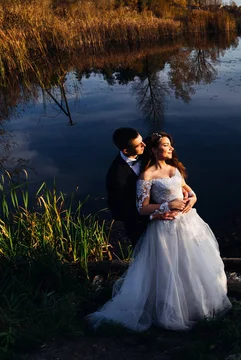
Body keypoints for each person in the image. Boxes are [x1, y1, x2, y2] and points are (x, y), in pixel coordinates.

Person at [89, 131, 231, 331]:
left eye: (143, 143)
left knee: (190, 263)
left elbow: (184, 187)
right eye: (140, 145)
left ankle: (194, 303)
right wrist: (162, 210)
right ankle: (163, 306)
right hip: (149, 224)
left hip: (186, 222)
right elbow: (127, 210)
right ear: (126, 150)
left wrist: (192, 197)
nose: (143, 147)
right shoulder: (119, 175)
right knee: (159, 268)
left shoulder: (168, 166)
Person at [105, 127, 176, 247]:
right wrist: (152, 216)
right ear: (126, 151)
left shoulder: (145, 150)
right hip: (140, 226)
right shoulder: (115, 176)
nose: (144, 144)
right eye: (139, 145)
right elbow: (118, 211)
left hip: (166, 219)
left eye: (142, 140)